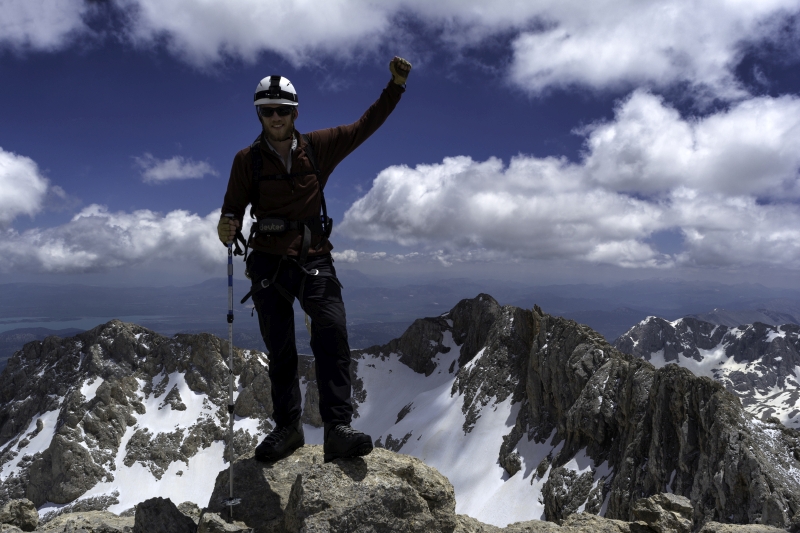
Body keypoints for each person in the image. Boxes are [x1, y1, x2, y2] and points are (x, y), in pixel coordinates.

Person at [217, 57, 411, 463]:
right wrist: (227, 224)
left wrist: (395, 86)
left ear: (295, 112)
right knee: (281, 349)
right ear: (259, 113)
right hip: (267, 262)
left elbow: (363, 127)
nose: (275, 117)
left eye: (282, 110)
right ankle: (288, 429)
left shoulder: (317, 148)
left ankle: (337, 428)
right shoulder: (246, 161)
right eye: (268, 110)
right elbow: (232, 209)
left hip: (312, 256)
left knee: (332, 331)